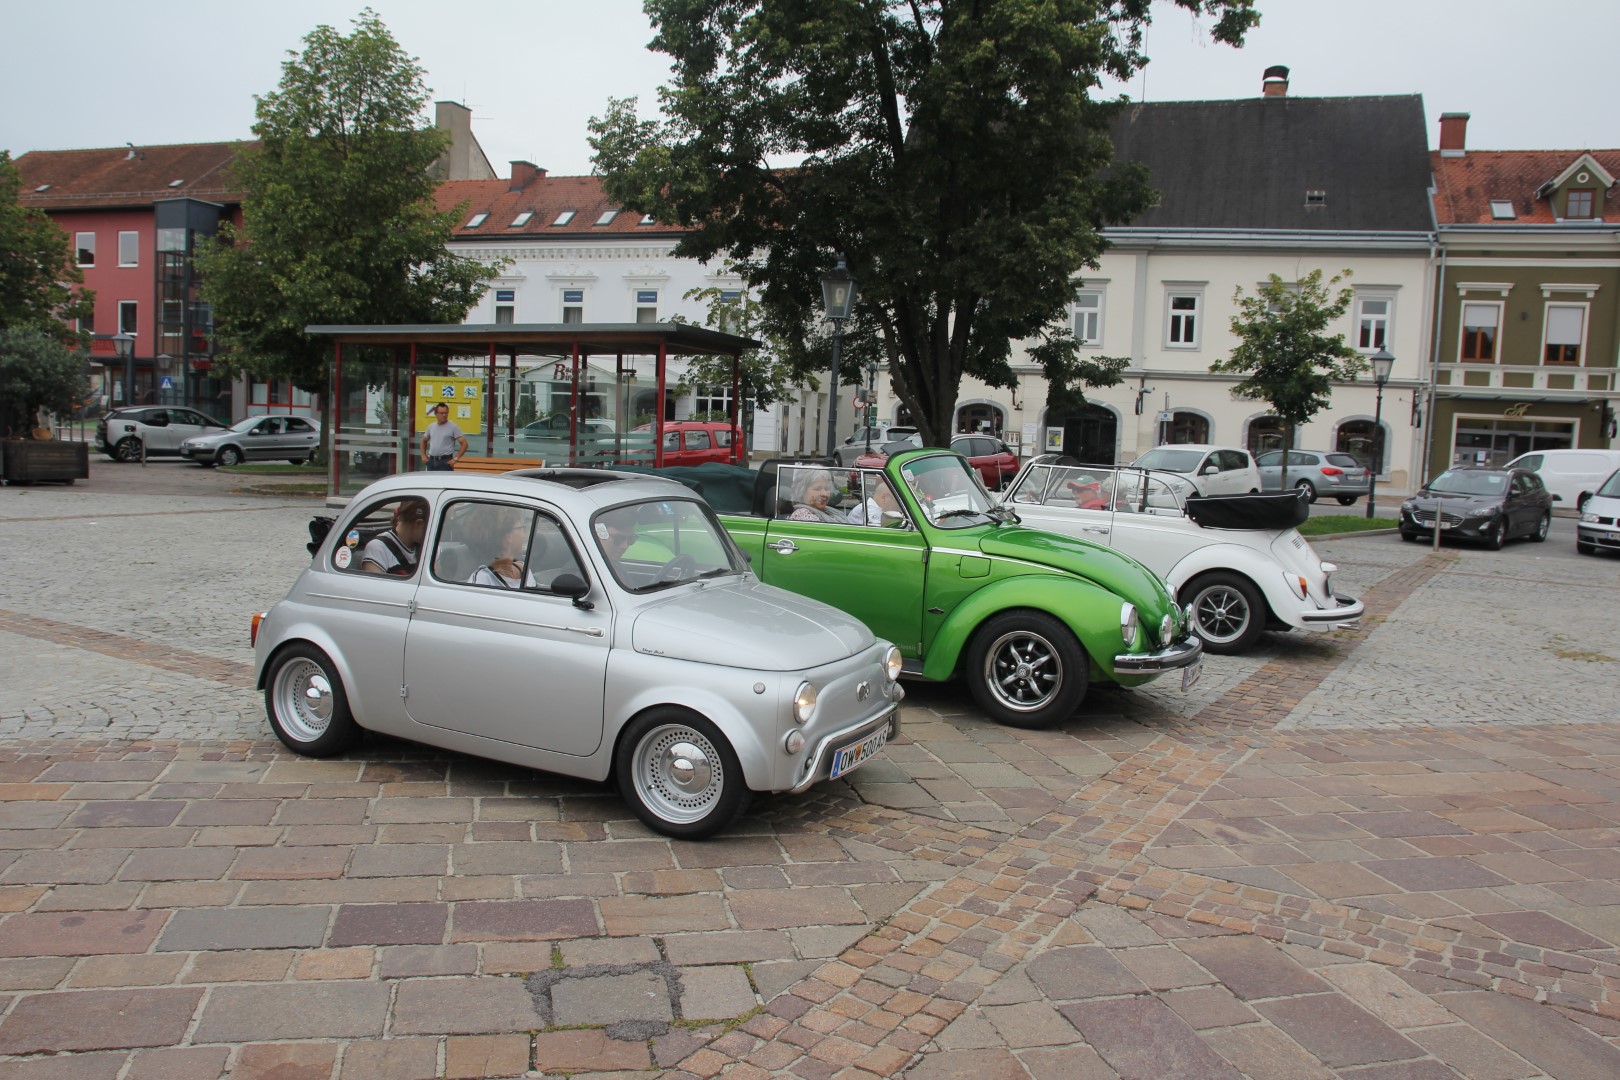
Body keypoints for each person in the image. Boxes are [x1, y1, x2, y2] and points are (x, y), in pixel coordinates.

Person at [467, 507, 536, 589]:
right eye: (521, 528)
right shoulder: (481, 580)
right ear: (508, 537)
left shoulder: (525, 571)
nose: (523, 536)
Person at [360, 499, 428, 575]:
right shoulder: (378, 548)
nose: (430, 533)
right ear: (419, 524)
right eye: (430, 527)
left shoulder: (426, 548)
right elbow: (374, 585)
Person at [421, 402, 468, 470]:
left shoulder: (453, 427)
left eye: (446, 413)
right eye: (441, 413)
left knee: (445, 481)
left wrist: (455, 459)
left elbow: (464, 444)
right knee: (430, 481)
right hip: (431, 461)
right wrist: (423, 455)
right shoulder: (431, 426)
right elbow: (423, 440)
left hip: (445, 462)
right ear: (435, 414)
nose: (444, 415)